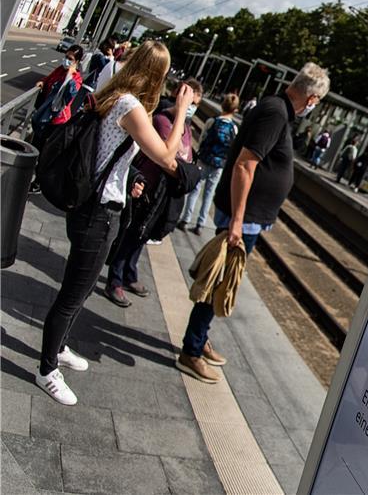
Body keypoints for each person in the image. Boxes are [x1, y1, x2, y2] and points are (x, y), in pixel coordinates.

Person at [36, 41, 196, 406]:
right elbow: (167, 154)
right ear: (157, 74)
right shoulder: (132, 106)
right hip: (97, 214)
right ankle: (46, 369)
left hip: (97, 207)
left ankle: (58, 348)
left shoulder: (118, 95)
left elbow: (111, 152)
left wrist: (131, 177)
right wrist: (182, 111)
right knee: (73, 295)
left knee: (84, 286)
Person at [176, 62, 330, 383]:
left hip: (248, 218)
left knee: (223, 279)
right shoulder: (275, 113)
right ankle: (190, 350)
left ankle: (200, 339)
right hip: (242, 220)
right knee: (220, 280)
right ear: (312, 99)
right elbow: (245, 166)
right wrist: (237, 218)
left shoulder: (277, 110)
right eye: (317, 104)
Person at [104, 78, 203, 308]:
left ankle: (129, 274)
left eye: (195, 104)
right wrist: (187, 171)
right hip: (148, 188)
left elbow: (184, 157)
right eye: (189, 102)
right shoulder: (162, 121)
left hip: (164, 193)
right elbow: (170, 159)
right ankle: (115, 280)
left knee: (143, 235)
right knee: (131, 235)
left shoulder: (185, 126)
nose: (191, 108)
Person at [178, 93, 240, 235]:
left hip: (204, 160)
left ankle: (185, 220)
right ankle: (200, 224)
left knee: (195, 190)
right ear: (235, 110)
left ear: (222, 105)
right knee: (209, 194)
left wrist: (199, 155)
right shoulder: (234, 129)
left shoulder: (212, 121)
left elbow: (202, 139)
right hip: (219, 165)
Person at [29, 45, 84, 194]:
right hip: (46, 118)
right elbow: (50, 79)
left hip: (57, 121)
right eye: (66, 56)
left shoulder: (76, 78)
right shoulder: (60, 70)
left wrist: (70, 76)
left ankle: (38, 183)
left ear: (77, 62)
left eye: (70, 59)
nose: (66, 60)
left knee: (46, 153)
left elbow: (69, 95)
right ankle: (28, 176)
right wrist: (43, 82)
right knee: (36, 146)